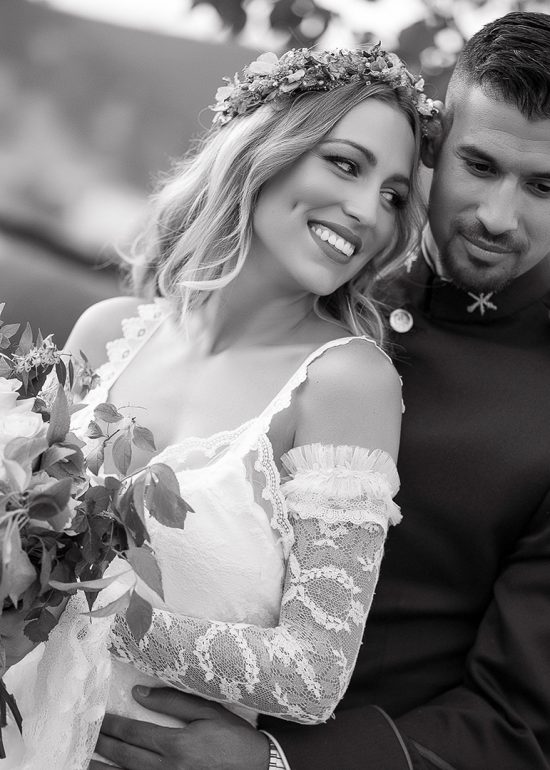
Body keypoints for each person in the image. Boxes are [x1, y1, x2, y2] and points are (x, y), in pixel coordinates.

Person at [89, 11, 550, 770]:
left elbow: (520, 719)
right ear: (436, 147)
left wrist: (280, 764)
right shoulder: (317, 268)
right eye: (478, 165)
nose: (498, 217)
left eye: (543, 185)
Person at [0, 46, 440, 768]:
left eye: (395, 196)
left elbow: (312, 675)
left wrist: (74, 600)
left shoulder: (347, 382)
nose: (368, 212)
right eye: (345, 164)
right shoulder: (106, 332)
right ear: (266, 148)